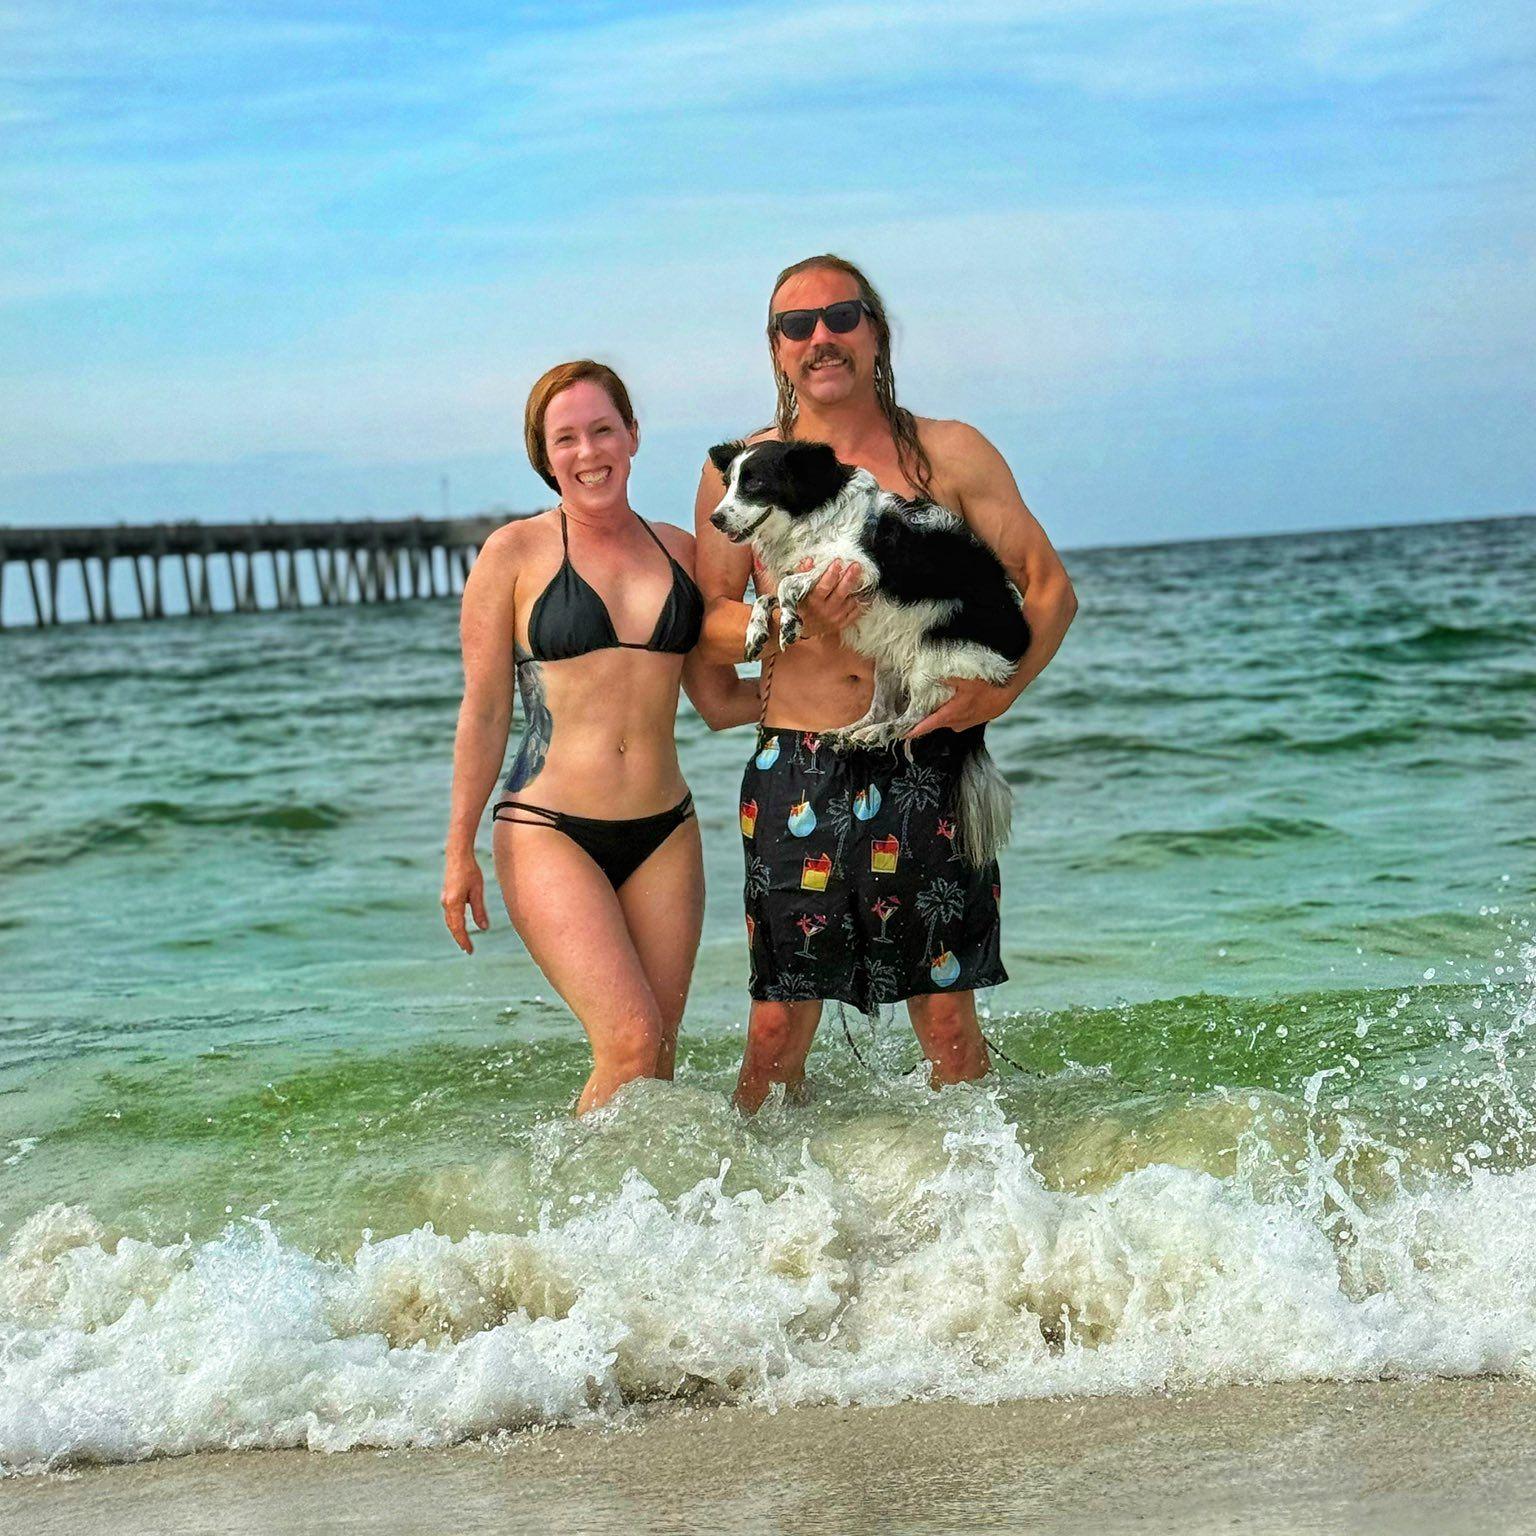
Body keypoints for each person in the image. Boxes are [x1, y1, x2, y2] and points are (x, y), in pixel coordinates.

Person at [694, 255, 1078, 1112]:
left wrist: (1002, 693)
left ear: (876, 332)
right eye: (797, 325)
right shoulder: (747, 470)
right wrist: (788, 620)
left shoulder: (948, 452)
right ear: (775, 348)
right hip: (796, 763)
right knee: (774, 1031)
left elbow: (1050, 589)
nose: (820, 338)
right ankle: (757, 1196)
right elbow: (708, 629)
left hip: (925, 755)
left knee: (947, 1024)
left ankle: (980, 1192)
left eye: (842, 316)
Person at [444, 360, 757, 1113]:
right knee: (629, 1041)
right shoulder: (512, 554)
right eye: (566, 439)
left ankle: (646, 1195)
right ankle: (561, 1190)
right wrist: (458, 851)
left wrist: (848, 692)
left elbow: (717, 701)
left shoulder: (682, 552)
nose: (588, 452)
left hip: (666, 832)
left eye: (602, 430)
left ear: (633, 435)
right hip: (549, 829)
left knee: (658, 1059)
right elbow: (484, 713)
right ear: (545, 456)